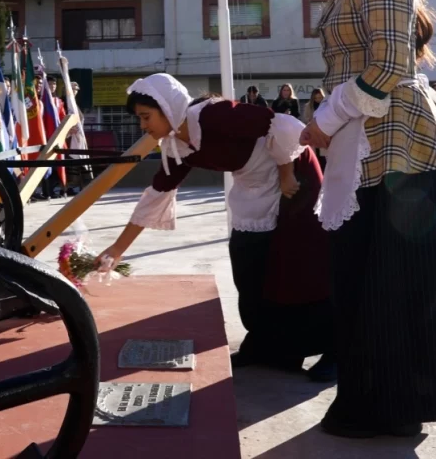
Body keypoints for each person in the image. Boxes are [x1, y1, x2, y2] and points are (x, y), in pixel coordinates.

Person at [289, 0, 436, 438]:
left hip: (396, 146)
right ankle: (374, 401)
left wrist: (324, 120)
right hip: (368, 143)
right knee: (365, 276)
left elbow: (388, 65)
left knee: (390, 280)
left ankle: (391, 408)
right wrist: (329, 119)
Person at [97, 73, 335, 382]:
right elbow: (156, 195)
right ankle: (269, 347)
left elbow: (282, 124)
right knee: (248, 264)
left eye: (146, 117)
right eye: (140, 118)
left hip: (294, 181)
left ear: (168, 108)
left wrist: (287, 172)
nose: (143, 126)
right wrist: (116, 250)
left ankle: (336, 349)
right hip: (255, 190)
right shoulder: (176, 147)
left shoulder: (211, 115)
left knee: (300, 267)